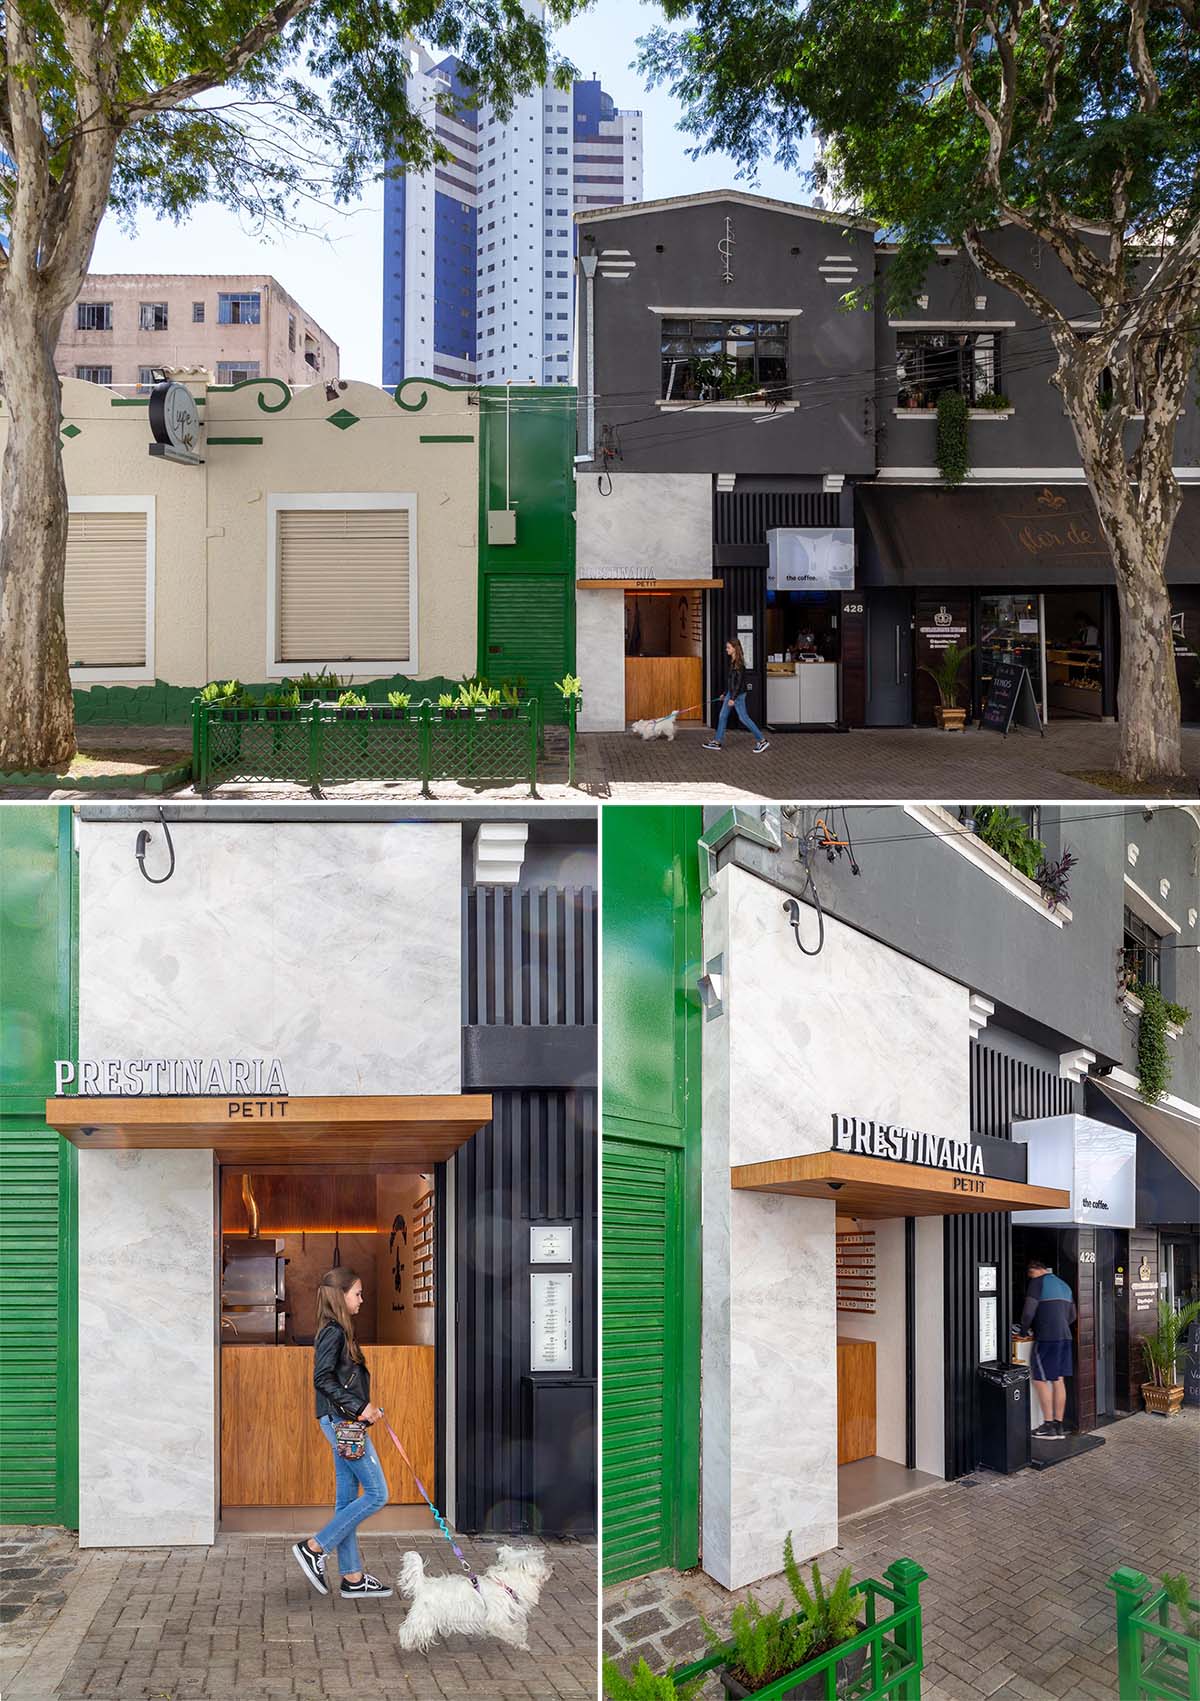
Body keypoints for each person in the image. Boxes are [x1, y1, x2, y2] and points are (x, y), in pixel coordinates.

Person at [291, 1267, 394, 1598]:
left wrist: (362, 1408)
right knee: (378, 1494)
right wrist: (360, 1408)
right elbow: (322, 1379)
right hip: (342, 1423)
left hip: (345, 1421)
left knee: (347, 1500)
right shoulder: (333, 1332)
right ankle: (315, 1548)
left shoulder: (338, 1331)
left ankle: (352, 1578)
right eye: (357, 1293)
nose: (362, 1299)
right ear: (340, 1296)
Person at [1018, 1258, 1077, 1441]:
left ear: (1035, 1270)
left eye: (1030, 1274)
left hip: (1046, 1339)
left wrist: (1023, 1330)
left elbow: (1029, 1311)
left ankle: (1048, 1425)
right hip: (1065, 1337)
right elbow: (1073, 1315)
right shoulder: (1064, 1285)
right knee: (1058, 1379)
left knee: (1040, 1379)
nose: (1030, 1278)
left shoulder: (1037, 1282)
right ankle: (1059, 1426)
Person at [703, 639, 770, 754]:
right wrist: (725, 693)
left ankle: (762, 740)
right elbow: (732, 682)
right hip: (732, 693)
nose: (726, 650)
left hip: (737, 695)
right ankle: (717, 742)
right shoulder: (733, 661)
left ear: (735, 648)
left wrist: (732, 698)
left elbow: (739, 684)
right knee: (723, 715)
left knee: (744, 718)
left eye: (728, 647)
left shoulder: (739, 664)